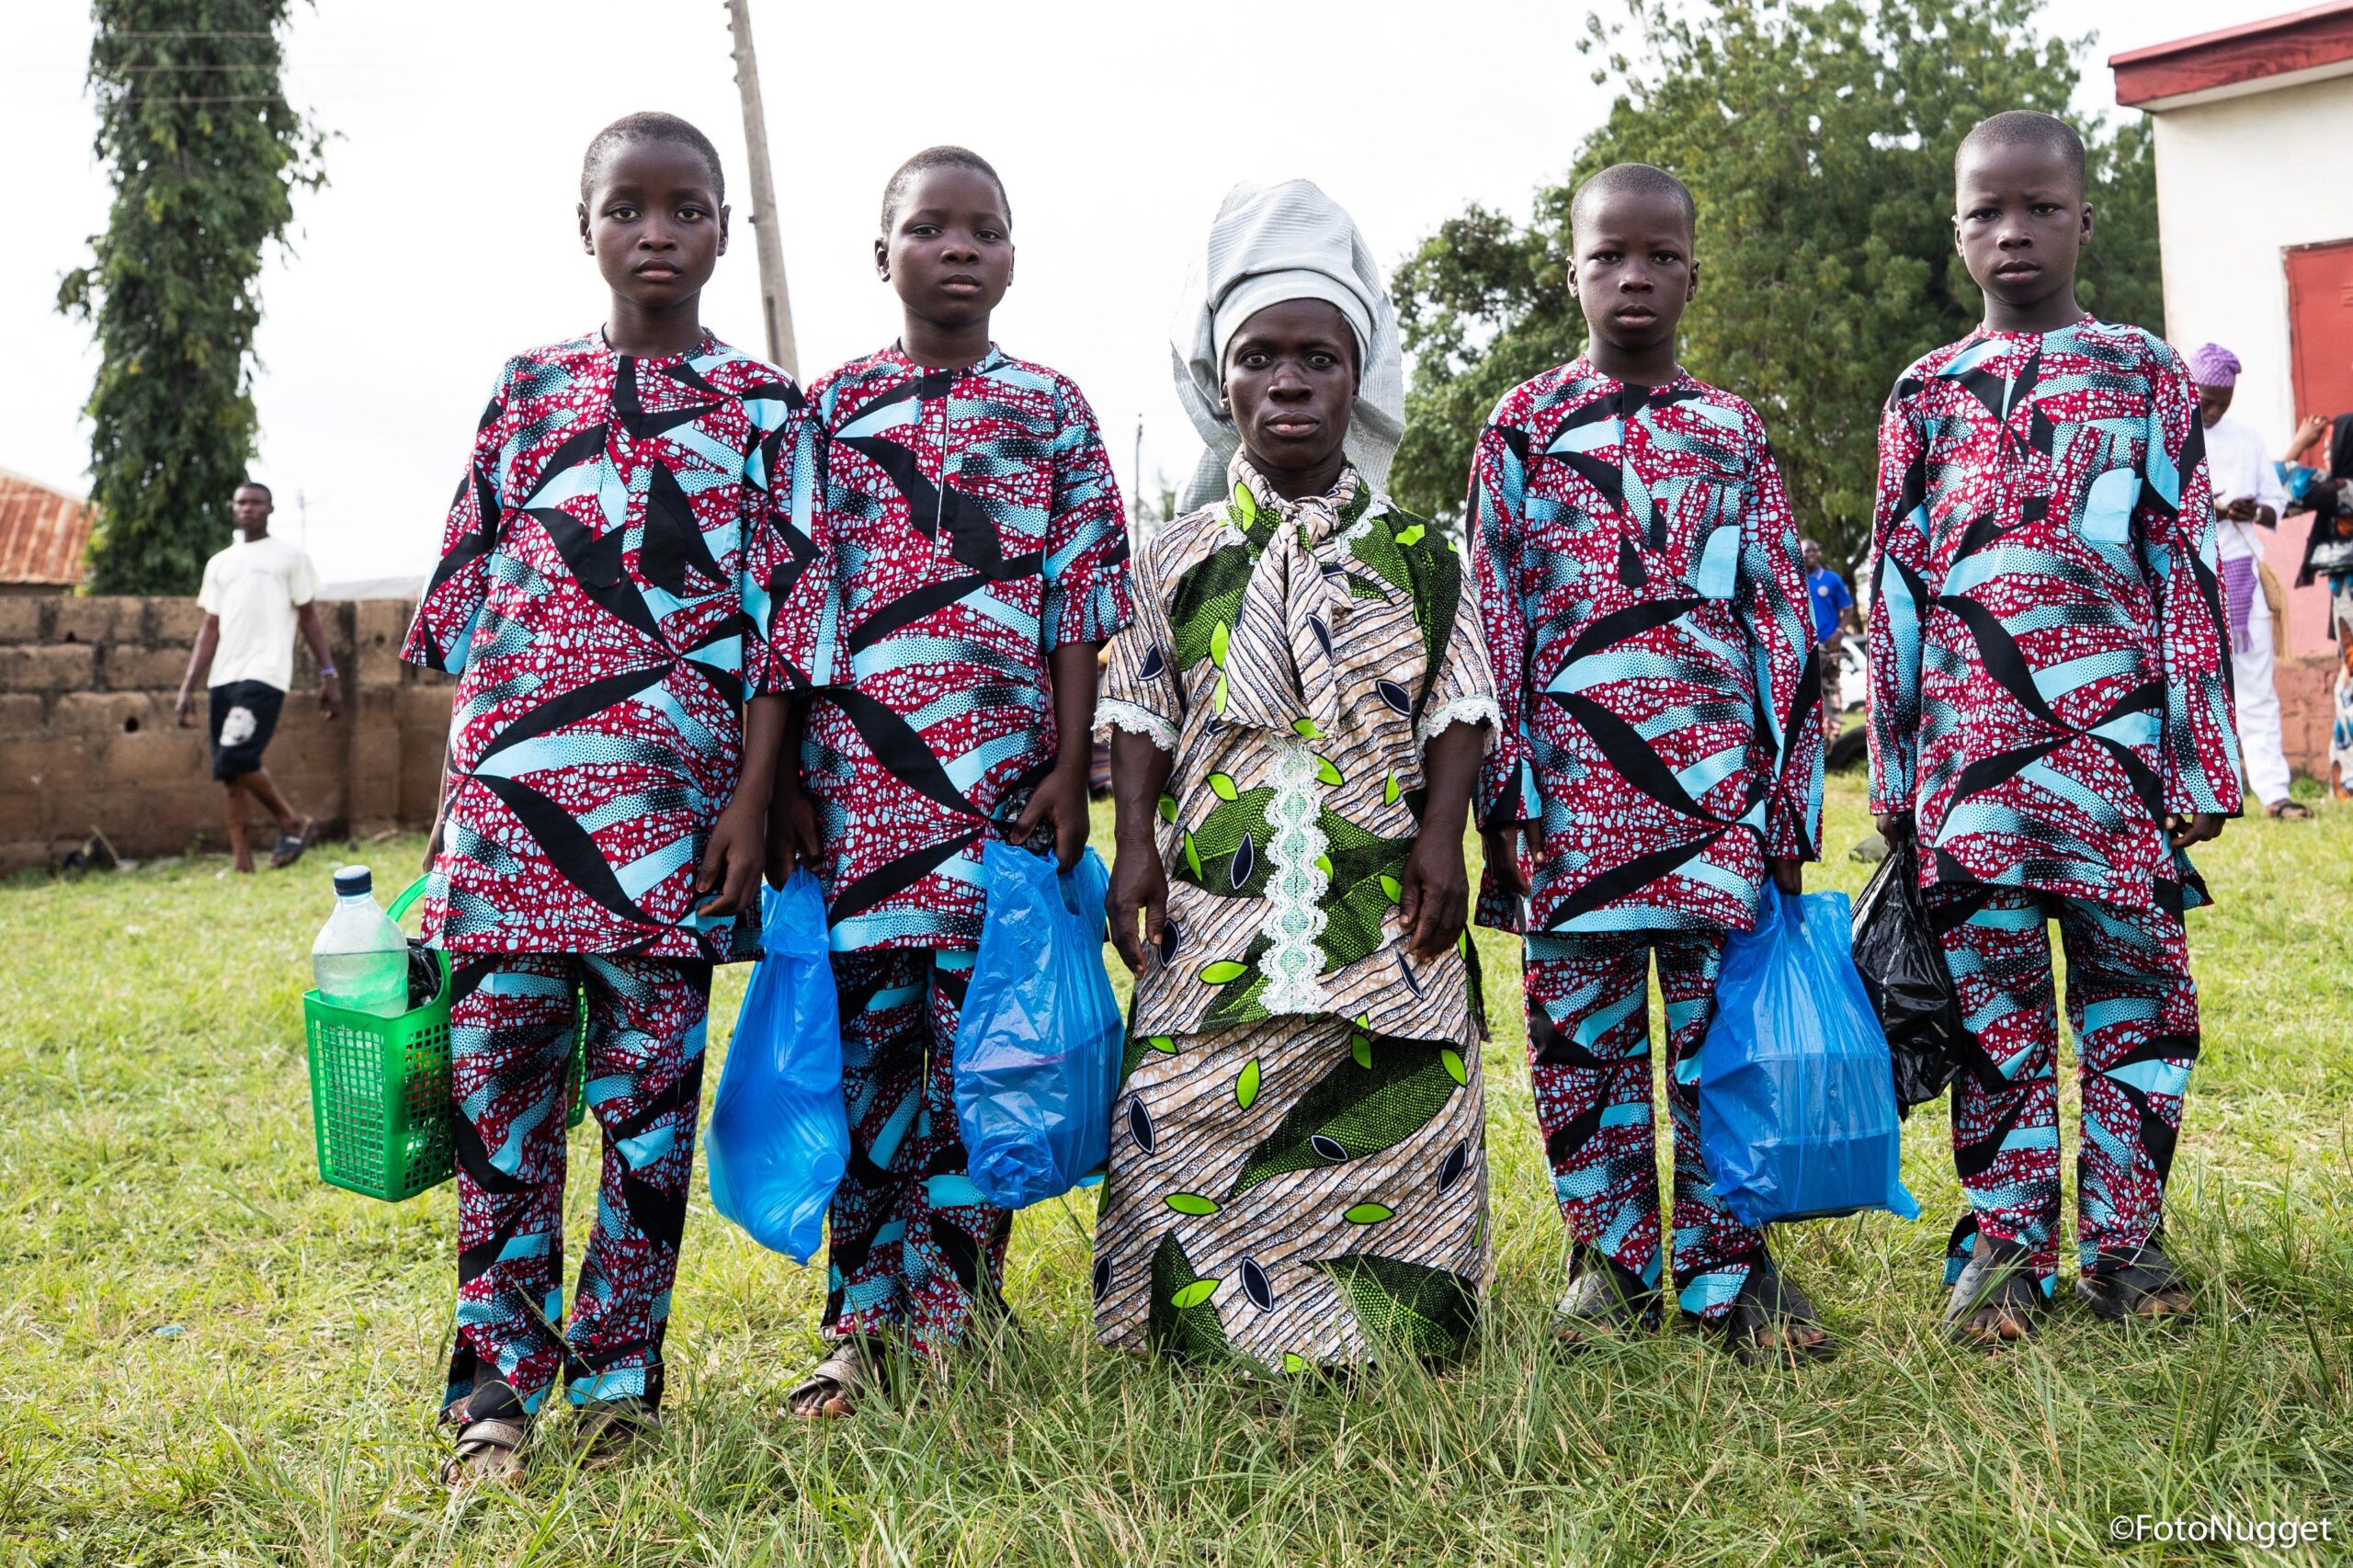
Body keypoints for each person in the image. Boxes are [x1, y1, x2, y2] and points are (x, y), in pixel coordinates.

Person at [399, 112, 824, 1483]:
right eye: (627, 207)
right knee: (500, 1122)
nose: (657, 231)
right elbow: (469, 625)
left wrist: (750, 806)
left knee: (645, 1128)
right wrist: (446, 831)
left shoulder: (766, 412)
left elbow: (783, 632)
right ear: (581, 225)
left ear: (722, 229)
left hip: (667, 840)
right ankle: (493, 1394)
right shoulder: (526, 390)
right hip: (508, 836)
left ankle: (622, 1379)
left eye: (686, 208)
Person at [1093, 179, 1497, 1371]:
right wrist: (1132, 845)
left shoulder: (1424, 552)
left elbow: (1459, 701)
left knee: (1396, 1096)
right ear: (1223, 383)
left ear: (1356, 376)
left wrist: (1440, 840)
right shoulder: (1176, 554)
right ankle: (1199, 1342)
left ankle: (1385, 1337)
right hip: (1219, 904)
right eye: (1258, 357)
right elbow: (1138, 703)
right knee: (1186, 1104)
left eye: (1316, 355)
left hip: (1384, 891)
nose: (1287, 381)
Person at [1869, 112, 2238, 1348]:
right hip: (1970, 779)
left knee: (2140, 1006)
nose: (2012, 233)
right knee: (1994, 1017)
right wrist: (1896, 775)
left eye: (2038, 208)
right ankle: (2006, 1250)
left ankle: (2126, 1245)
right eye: (1986, 212)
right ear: (1957, 230)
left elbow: (2179, 563)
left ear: (2087, 218)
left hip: (2118, 765)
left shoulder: (2140, 371)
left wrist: (2199, 747)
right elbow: (1899, 592)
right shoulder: (1925, 392)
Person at [774, 146, 1131, 1416]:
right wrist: (791, 783)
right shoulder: (827, 413)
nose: (960, 247)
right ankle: (861, 1322)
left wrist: (1067, 767)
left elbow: (1082, 602)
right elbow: (799, 607)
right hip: (861, 806)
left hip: (998, 805)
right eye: (930, 228)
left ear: (1014, 256)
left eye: (985, 229)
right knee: (872, 1069)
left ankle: (962, 1311)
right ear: (884, 257)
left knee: (987, 1066)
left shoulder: (1051, 408)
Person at [1467, 164, 1829, 1365]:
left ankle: (1732, 1270)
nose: (1634, 275)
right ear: (1567, 268)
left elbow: (1781, 623)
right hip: (1569, 812)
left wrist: (1786, 798)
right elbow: (1495, 620)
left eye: (1660, 255)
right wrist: (1505, 792)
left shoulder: (1728, 432)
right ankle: (1610, 1270)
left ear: (1691, 273)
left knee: (1719, 1042)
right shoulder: (1520, 431)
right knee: (1582, 1051)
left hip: (1713, 811)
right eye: (1609, 253)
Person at [176, 481, 339, 872]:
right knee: (229, 773)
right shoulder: (220, 563)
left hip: (265, 673)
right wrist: (187, 688)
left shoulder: (290, 557)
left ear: (270, 509)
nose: (248, 508)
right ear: (233, 509)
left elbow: (309, 618)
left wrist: (329, 673)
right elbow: (209, 627)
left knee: (237, 755)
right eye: (241, 502)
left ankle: (292, 820)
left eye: (256, 502)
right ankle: (242, 863)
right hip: (222, 676)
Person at [2188, 343, 2308, 819]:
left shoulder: (2247, 438)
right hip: (2189, 580)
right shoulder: (2172, 434)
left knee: (2256, 689)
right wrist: (2209, 508)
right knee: (2197, 691)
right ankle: (2206, 797)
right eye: (2206, 398)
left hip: (2240, 577)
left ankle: (2275, 793)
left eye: (2223, 400)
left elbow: (2275, 502)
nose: (2213, 409)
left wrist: (2250, 509)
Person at [1802, 537, 1858, 743]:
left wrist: (1840, 631)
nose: (1811, 555)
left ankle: (1833, 739)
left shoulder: (1831, 579)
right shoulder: (1795, 580)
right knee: (1810, 692)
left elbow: (1849, 609)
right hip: (1806, 647)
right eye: (1806, 552)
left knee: (1832, 688)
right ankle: (1813, 737)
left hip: (1830, 644)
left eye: (1814, 551)